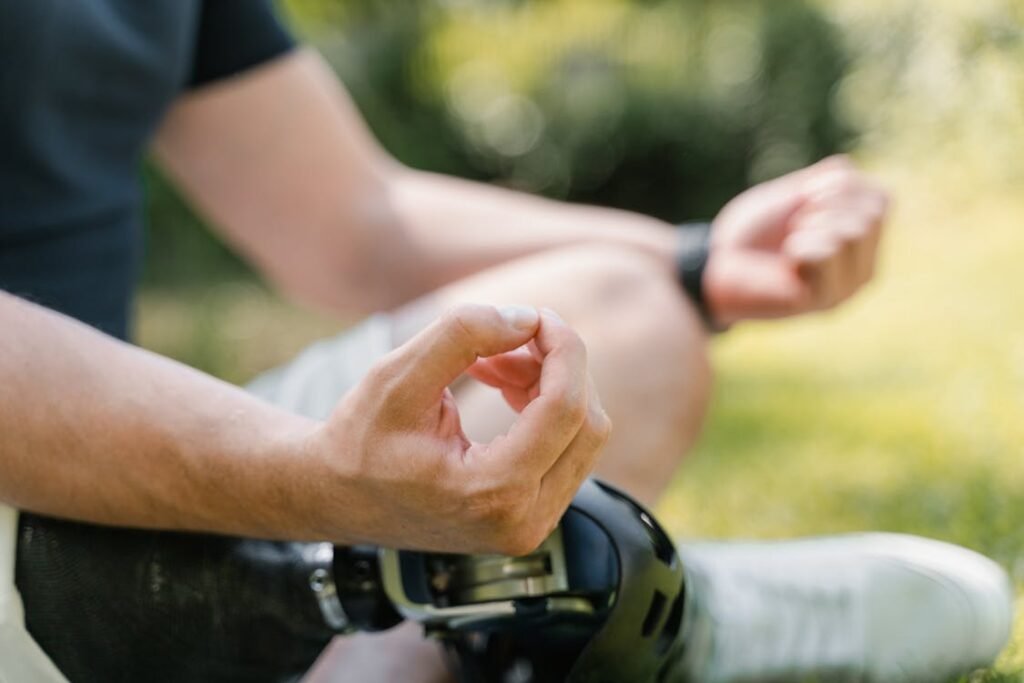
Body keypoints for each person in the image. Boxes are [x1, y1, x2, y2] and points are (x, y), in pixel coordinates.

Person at [0, 1, 1011, 682]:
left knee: (621, 314)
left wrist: (696, 262)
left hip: (108, 459)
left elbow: (357, 219)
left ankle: (568, 607)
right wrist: (303, 482)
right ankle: (676, 622)